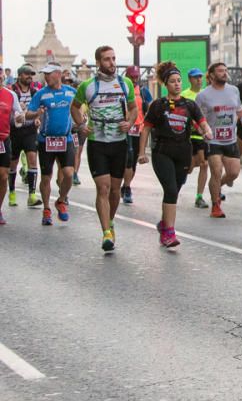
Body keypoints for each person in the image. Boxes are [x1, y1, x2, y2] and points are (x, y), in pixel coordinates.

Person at [137, 61, 212, 248]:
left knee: (175, 191)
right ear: (165, 84)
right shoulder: (158, 105)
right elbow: (145, 129)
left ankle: (164, 223)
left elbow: (202, 122)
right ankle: (168, 233)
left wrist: (207, 131)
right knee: (170, 190)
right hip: (162, 152)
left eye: (179, 80)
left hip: (183, 153)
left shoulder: (189, 105)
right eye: (172, 81)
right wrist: (141, 153)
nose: (177, 84)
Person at [71, 47, 138, 252]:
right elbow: (74, 107)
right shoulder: (88, 86)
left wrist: (130, 122)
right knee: (103, 187)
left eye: (114, 58)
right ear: (98, 62)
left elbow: (133, 108)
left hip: (119, 142)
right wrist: (82, 125)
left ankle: (110, 221)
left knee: (116, 190)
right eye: (107, 59)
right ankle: (106, 232)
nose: (112, 63)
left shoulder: (125, 83)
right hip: (97, 142)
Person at [25, 64, 77, 227]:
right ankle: (47, 209)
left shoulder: (70, 92)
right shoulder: (41, 94)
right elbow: (27, 113)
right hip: (46, 140)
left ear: (58, 74)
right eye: (44, 74)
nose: (46, 77)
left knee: (69, 173)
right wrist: (37, 114)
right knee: (46, 177)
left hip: (66, 139)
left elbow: (81, 107)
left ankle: (61, 200)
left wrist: (82, 120)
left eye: (48, 74)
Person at [196, 62, 242, 219]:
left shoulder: (234, 90)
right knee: (216, 171)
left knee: (233, 173)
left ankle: (218, 187)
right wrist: (202, 130)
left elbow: (240, 111)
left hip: (230, 139)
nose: (224, 73)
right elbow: (195, 117)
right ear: (211, 75)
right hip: (213, 140)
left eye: (225, 70)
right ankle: (216, 205)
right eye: (220, 71)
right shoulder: (203, 95)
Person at [9, 65, 41, 207]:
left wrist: (38, 118)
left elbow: (40, 109)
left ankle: (32, 195)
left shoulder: (35, 92)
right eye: (27, 74)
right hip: (14, 131)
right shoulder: (12, 91)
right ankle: (11, 193)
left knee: (32, 160)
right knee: (12, 164)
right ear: (20, 75)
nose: (30, 77)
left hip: (30, 130)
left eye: (31, 74)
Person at [181, 68, 210, 209]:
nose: (198, 79)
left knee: (204, 164)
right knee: (190, 167)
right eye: (195, 77)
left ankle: (199, 196)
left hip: (203, 135)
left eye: (200, 77)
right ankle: (184, 172)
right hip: (189, 134)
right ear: (190, 79)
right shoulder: (184, 95)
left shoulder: (206, 94)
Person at [0, 77, 25, 225]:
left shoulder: (10, 95)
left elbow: (18, 115)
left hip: (3, 140)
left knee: (3, 176)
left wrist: (20, 117)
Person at [121, 65, 145, 205]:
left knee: (134, 160)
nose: (135, 79)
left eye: (137, 76)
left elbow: (149, 107)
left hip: (139, 129)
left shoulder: (142, 91)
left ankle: (125, 185)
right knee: (128, 158)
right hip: (126, 129)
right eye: (132, 76)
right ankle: (127, 188)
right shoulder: (122, 90)